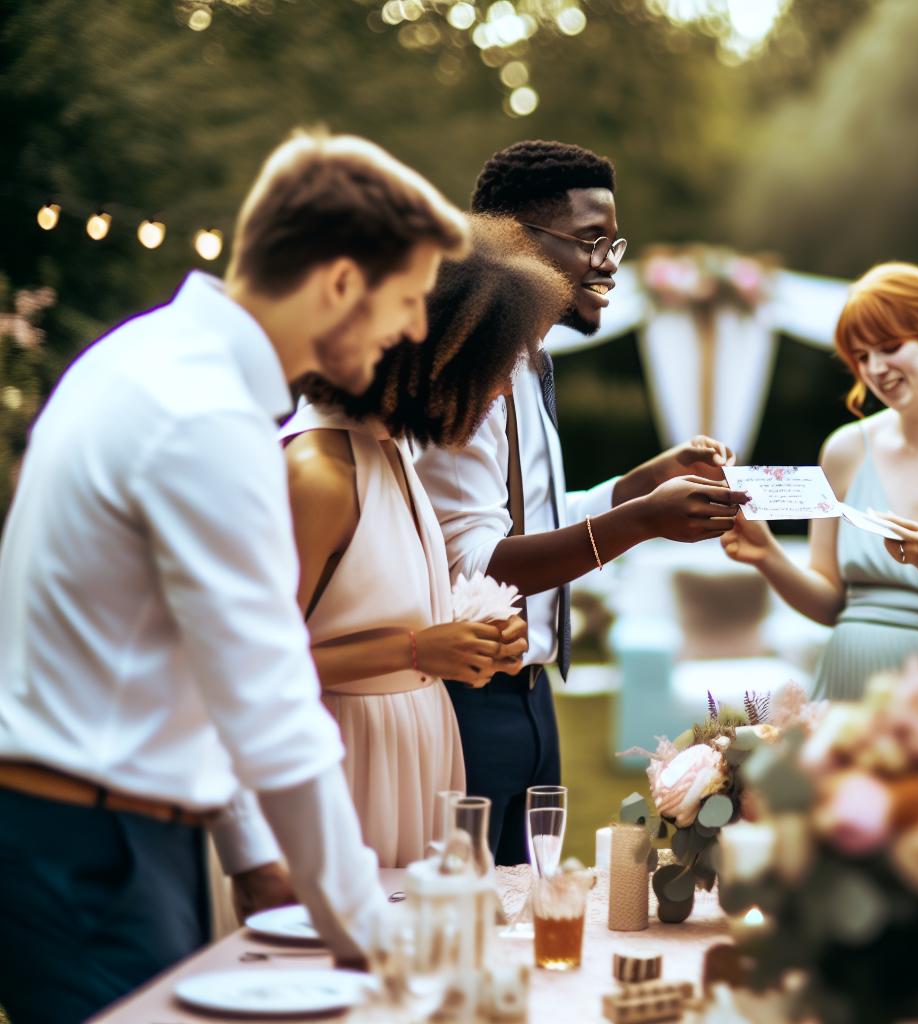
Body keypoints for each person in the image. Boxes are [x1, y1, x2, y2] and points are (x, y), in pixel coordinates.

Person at [0, 129, 466, 1023]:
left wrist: (255, 854)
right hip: (91, 849)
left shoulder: (153, 362)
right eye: (406, 298)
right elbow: (270, 693)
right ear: (337, 281)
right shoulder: (202, 414)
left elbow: (187, 659)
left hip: (103, 831)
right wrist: (371, 933)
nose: (414, 328)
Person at [414, 140, 748, 865]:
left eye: (614, 242)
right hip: (465, 700)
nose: (609, 264)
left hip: (535, 699)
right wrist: (639, 523)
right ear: (511, 243)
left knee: (531, 912)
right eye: (590, 242)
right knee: (468, 921)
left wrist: (637, 489)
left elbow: (535, 517)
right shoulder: (468, 366)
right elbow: (479, 563)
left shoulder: (531, 362)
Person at [281, 216, 553, 867]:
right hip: (343, 774)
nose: (497, 393)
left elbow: (366, 607)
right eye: (492, 370)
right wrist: (417, 648)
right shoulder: (318, 473)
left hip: (414, 765)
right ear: (436, 355)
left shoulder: (390, 451)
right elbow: (257, 671)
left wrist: (470, 635)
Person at [721, 262, 918, 699]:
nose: (875, 368)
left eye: (890, 347)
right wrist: (767, 556)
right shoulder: (845, 450)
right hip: (846, 695)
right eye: (861, 356)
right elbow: (831, 603)